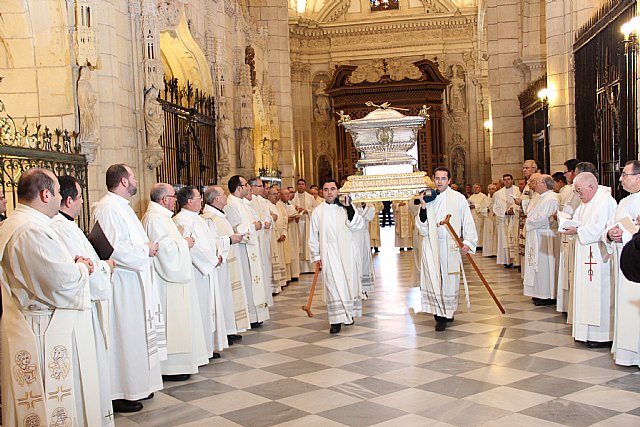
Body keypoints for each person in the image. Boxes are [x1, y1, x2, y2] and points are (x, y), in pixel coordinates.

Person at [0, 168, 102, 426]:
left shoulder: (14, 223)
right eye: (57, 192)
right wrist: (82, 267)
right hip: (40, 329)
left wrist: (71, 264)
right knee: (47, 400)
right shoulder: (30, 230)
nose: (60, 198)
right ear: (45, 194)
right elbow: (59, 281)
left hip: (33, 321)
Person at [91, 163, 164, 412]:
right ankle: (121, 391)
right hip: (123, 283)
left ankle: (138, 385)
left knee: (136, 335)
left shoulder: (122, 207)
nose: (135, 181)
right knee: (125, 335)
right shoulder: (108, 208)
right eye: (132, 177)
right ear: (123, 181)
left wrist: (146, 247)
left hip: (135, 281)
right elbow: (114, 248)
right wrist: (147, 249)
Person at [50, 175, 115, 425]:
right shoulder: (59, 228)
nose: (81, 204)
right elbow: (78, 267)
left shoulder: (68, 225)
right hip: (78, 309)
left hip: (86, 304)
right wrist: (106, 267)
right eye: (79, 199)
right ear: (68, 200)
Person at [141, 183, 209, 379]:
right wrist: (184, 243)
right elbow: (164, 250)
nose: (175, 200)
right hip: (167, 282)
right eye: (173, 196)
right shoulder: (155, 219)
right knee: (174, 321)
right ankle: (173, 367)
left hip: (174, 280)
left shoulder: (163, 218)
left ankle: (181, 364)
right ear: (164, 200)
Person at [415, 167, 478, 331]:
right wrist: (422, 206)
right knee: (435, 278)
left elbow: (467, 220)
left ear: (449, 180)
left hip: (450, 244)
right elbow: (422, 226)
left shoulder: (458, 198)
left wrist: (469, 242)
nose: (440, 181)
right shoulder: (429, 198)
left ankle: (448, 311)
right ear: (433, 180)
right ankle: (439, 316)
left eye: (443, 178)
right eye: (437, 178)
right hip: (432, 244)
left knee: (449, 279)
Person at [560, 172, 616, 348]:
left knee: (598, 292)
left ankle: (601, 335)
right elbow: (577, 220)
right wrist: (569, 223)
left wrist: (578, 230)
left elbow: (602, 228)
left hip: (598, 257)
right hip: (584, 252)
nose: (578, 194)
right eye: (576, 191)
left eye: (579, 191)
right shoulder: (585, 203)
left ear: (592, 187)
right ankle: (584, 332)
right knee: (583, 291)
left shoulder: (605, 201)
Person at [173, 186, 227, 358]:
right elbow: (192, 247)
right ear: (190, 201)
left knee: (208, 308)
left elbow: (214, 239)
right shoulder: (181, 220)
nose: (201, 201)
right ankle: (201, 351)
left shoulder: (199, 219)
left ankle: (208, 347)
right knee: (201, 309)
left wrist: (218, 254)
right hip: (198, 272)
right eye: (198, 198)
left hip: (209, 269)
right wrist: (212, 260)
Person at [309, 180, 365, 334]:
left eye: (333, 189)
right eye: (326, 189)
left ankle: (349, 314)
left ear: (338, 191)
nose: (329, 192)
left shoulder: (346, 207)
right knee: (333, 286)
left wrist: (348, 207)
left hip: (347, 251)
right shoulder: (318, 211)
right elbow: (313, 235)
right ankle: (335, 321)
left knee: (348, 284)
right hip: (329, 254)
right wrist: (316, 255)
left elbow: (357, 225)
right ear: (322, 192)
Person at [201, 186, 249, 341]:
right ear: (216, 199)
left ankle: (229, 328)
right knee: (221, 296)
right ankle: (223, 332)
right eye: (223, 194)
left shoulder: (220, 215)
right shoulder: (209, 218)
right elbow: (209, 243)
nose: (226, 196)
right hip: (219, 266)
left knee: (228, 296)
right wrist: (230, 239)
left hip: (228, 263)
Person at [605, 160, 640, 366]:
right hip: (623, 260)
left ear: (638, 177)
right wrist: (610, 234)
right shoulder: (624, 202)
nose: (620, 178)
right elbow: (611, 225)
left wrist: (625, 236)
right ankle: (627, 353)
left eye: (625, 174)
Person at [224, 175, 269, 327]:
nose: (249, 187)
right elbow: (235, 228)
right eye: (245, 185)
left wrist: (259, 224)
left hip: (251, 250)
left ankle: (256, 315)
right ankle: (250, 316)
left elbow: (255, 221)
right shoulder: (231, 205)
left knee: (253, 281)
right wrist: (253, 226)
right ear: (239, 188)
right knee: (247, 282)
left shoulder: (244, 203)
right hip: (241, 251)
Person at [523, 175, 560, 305]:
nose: (535, 185)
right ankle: (538, 292)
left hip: (545, 237)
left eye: (537, 182)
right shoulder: (541, 197)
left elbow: (543, 218)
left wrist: (528, 221)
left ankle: (547, 294)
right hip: (537, 235)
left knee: (545, 266)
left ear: (545, 184)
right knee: (537, 266)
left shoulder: (551, 198)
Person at [556, 159, 582, 316]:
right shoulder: (571, 191)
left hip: (574, 235)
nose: (565, 175)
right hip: (568, 233)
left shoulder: (574, 191)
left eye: (566, 172)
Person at [493, 174, 521, 268]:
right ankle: (507, 261)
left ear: (512, 180)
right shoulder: (498, 193)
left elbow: (522, 202)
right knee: (505, 240)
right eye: (505, 180)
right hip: (504, 220)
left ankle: (516, 261)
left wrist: (514, 209)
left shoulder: (518, 190)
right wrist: (505, 212)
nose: (507, 181)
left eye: (508, 179)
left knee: (515, 238)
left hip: (515, 219)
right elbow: (496, 208)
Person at [265, 186, 288, 293]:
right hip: (274, 238)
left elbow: (284, 219)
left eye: (277, 193)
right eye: (274, 194)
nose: (276, 196)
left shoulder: (278, 205)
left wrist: (283, 232)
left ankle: (281, 283)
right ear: (268, 195)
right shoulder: (266, 205)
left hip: (281, 236)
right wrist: (278, 234)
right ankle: (275, 286)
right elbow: (271, 222)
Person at [291, 179, 317, 274]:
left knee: (307, 244)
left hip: (307, 222)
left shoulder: (310, 197)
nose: (301, 186)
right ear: (297, 185)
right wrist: (296, 210)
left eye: (302, 184)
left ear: (305, 186)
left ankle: (310, 268)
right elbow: (290, 208)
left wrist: (307, 211)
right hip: (297, 223)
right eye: (299, 184)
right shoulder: (293, 197)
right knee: (299, 244)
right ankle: (300, 269)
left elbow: (315, 209)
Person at [355, 202, 376, 295]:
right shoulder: (348, 200)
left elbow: (370, 216)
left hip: (363, 235)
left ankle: (363, 288)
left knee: (364, 260)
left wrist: (363, 205)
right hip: (351, 235)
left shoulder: (368, 203)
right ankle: (354, 287)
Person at [281, 188, 301, 283]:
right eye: (285, 194)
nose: (288, 196)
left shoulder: (291, 204)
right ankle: (290, 275)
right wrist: (286, 219)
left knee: (294, 250)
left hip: (293, 230)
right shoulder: (280, 205)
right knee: (289, 252)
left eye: (289, 194)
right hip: (287, 231)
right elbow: (281, 218)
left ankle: (295, 273)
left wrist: (297, 217)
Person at [479, 183, 497, 257]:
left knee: (495, 235)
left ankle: (495, 252)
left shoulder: (497, 197)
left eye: (493, 189)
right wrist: (487, 210)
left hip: (495, 218)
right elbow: (481, 209)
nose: (491, 191)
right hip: (488, 219)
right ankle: (488, 252)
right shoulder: (485, 199)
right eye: (490, 189)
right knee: (488, 234)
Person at [468, 184, 488, 248]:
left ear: (480, 188)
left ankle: (480, 244)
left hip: (479, 216)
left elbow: (484, 205)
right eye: (474, 188)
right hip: (472, 215)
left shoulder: (483, 196)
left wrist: (475, 206)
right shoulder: (471, 197)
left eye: (477, 187)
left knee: (480, 230)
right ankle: (475, 244)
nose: (476, 189)